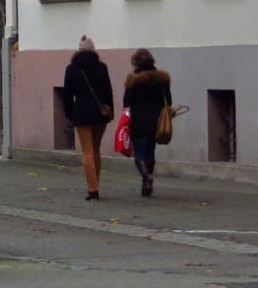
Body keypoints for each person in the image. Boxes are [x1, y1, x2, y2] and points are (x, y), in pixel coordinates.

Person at [60, 35, 115, 200]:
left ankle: (93, 189)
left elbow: (67, 95)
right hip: (100, 113)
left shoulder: (72, 69)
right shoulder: (102, 67)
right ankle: (95, 183)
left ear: (78, 51)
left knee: (87, 151)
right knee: (96, 150)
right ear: (93, 50)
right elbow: (108, 91)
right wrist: (110, 111)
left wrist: (69, 113)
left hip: (81, 113)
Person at [122, 47, 173, 197]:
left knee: (139, 153)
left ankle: (145, 176)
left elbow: (127, 101)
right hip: (155, 120)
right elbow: (168, 101)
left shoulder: (133, 79)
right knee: (150, 152)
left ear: (135, 62)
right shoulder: (162, 78)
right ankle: (148, 180)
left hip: (138, 121)